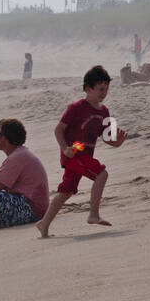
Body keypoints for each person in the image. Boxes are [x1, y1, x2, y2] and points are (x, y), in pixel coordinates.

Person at [36, 66, 127, 238]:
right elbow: (58, 130)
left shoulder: (104, 111)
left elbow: (107, 138)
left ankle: (43, 224)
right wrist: (65, 149)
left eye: (106, 89)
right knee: (102, 174)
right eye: (100, 89)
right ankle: (93, 215)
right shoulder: (76, 107)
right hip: (74, 153)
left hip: (85, 154)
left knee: (66, 192)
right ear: (88, 88)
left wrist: (118, 142)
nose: (104, 93)